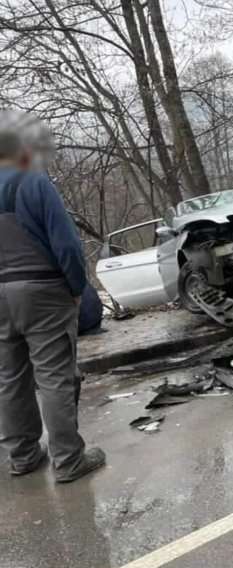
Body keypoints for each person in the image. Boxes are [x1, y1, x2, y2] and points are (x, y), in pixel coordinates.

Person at [0, 111, 105, 482]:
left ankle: (24, 455)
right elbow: (67, 245)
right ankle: (68, 459)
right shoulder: (32, 180)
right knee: (54, 376)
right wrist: (77, 289)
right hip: (42, 292)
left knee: (10, 378)